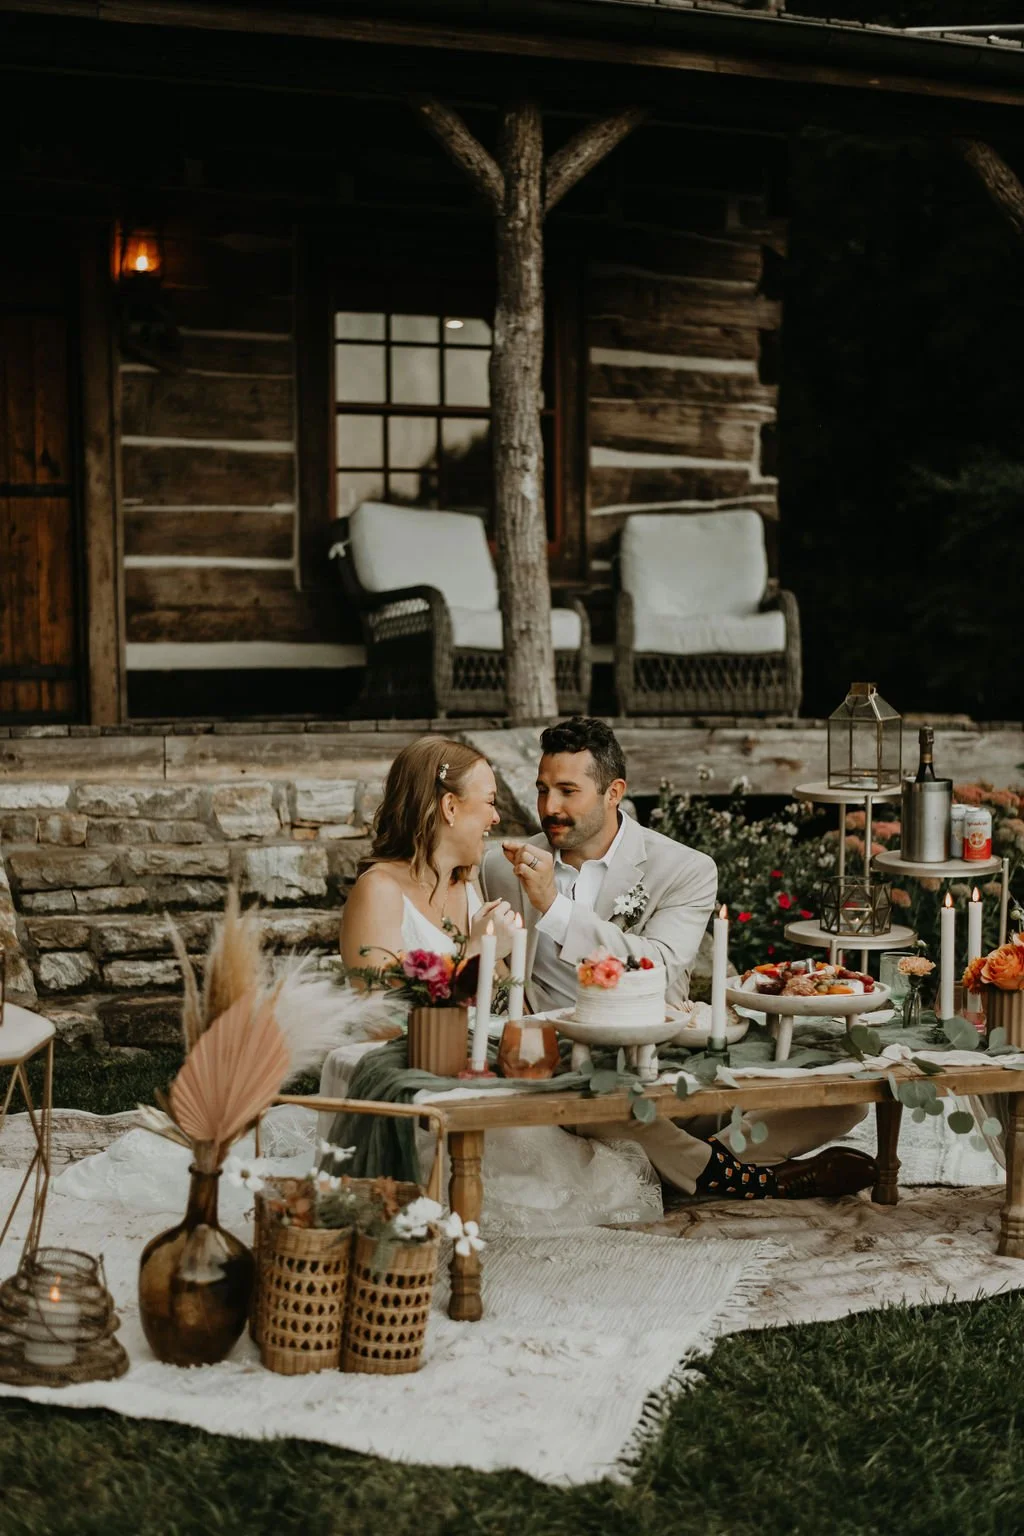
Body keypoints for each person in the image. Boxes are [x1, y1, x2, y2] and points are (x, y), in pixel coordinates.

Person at [480, 716, 878, 1201]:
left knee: (847, 1101)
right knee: (617, 1108)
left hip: (663, 1063)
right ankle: (753, 1179)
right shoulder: (500, 865)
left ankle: (696, 1162)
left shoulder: (684, 868)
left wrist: (555, 909)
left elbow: (662, 969)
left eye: (567, 790)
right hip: (571, 1075)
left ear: (613, 792)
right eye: (542, 790)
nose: (549, 807)